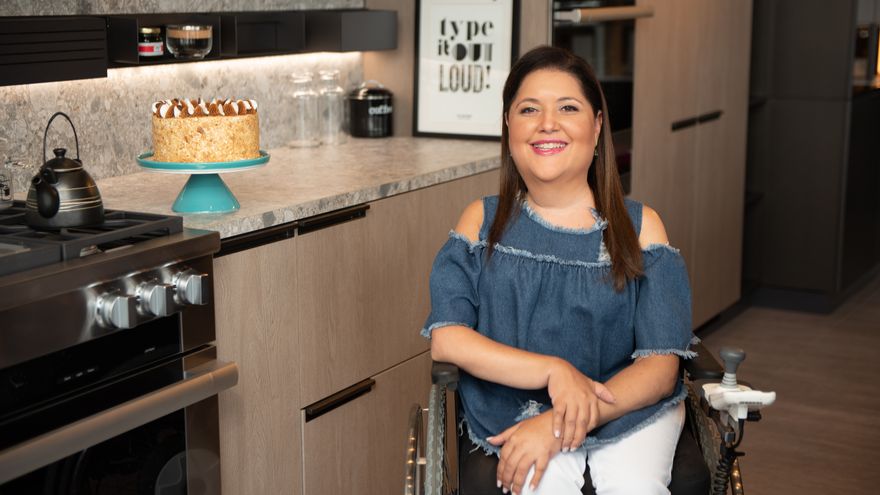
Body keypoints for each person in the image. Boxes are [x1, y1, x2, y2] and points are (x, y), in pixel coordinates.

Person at [420, 45, 697, 495]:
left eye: (568, 107)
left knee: (634, 485)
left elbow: (661, 368)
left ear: (597, 125)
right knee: (539, 483)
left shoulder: (641, 228)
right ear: (509, 125)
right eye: (529, 109)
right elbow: (448, 339)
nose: (547, 123)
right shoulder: (481, 223)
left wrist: (561, 422)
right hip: (513, 405)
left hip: (625, 406)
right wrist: (554, 371)